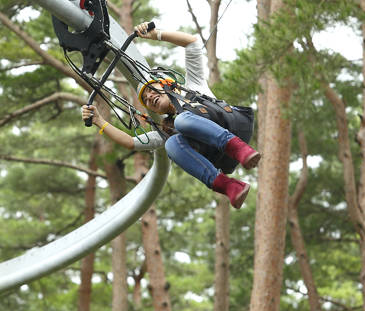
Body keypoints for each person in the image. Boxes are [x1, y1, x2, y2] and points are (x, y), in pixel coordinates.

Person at [82, 22, 260, 209]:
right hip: (221, 156)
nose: (150, 97)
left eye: (152, 90)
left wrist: (155, 35)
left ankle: (238, 148)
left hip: (232, 125)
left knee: (183, 120)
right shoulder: (168, 128)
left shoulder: (193, 86)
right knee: (171, 143)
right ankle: (229, 186)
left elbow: (191, 43)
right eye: (147, 101)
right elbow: (130, 142)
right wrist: (98, 120)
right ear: (155, 112)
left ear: (167, 85)